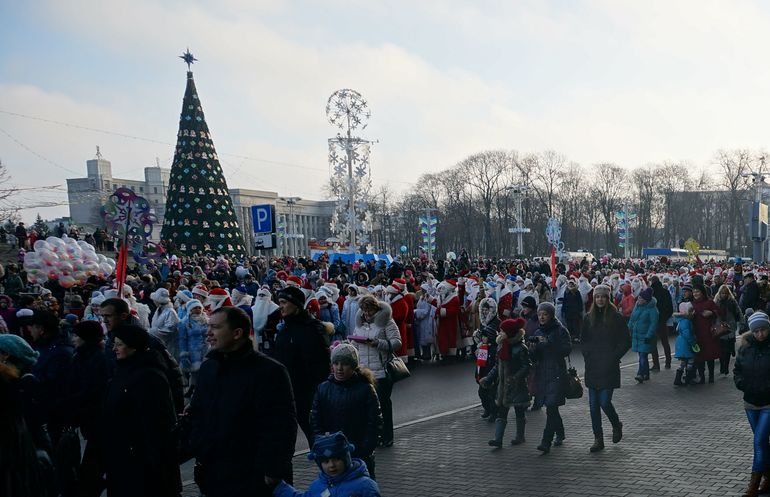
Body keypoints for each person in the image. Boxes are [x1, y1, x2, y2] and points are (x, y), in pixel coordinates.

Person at [187, 307, 297, 497]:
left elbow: (280, 425)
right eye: (209, 326)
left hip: (251, 476)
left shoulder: (269, 371)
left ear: (237, 333)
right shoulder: (209, 368)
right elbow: (198, 414)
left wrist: (272, 469)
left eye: (215, 327)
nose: (209, 333)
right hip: (213, 472)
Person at [101, 324, 180, 497]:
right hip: (123, 454)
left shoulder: (149, 376)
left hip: (141, 459)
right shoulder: (123, 369)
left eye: (119, 344)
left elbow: (155, 424)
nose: (114, 348)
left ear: (133, 346)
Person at [99, 298, 185, 414]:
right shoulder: (112, 338)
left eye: (108, 316)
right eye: (102, 316)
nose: (104, 320)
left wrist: (175, 410)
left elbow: (171, 374)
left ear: (123, 316)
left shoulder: (144, 340)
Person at [311, 343, 382, 478]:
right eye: (336, 363)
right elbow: (315, 420)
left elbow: (375, 422)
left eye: (345, 364)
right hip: (332, 453)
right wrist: (322, 445)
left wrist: (365, 449)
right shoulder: (323, 389)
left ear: (353, 365)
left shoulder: (365, 389)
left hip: (359, 454)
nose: (339, 368)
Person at [273, 286, 331, 446]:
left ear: (296, 304)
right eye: (279, 302)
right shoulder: (285, 328)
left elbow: (320, 367)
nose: (281, 306)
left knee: (319, 441)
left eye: (284, 302)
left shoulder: (312, 329)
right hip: (288, 394)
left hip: (308, 395)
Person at [579, 284, 631, 452]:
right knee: (593, 406)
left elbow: (625, 341)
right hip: (593, 365)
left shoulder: (616, 317)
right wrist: (587, 354)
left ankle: (616, 424)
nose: (600, 299)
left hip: (608, 366)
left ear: (608, 299)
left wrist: (614, 356)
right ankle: (598, 439)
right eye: (597, 297)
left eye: (603, 296)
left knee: (604, 402)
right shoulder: (588, 318)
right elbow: (583, 339)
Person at [350, 294, 402, 448]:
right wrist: (351, 345)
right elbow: (355, 342)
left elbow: (397, 343)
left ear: (376, 308)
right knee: (368, 407)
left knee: (383, 405)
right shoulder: (360, 323)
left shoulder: (387, 322)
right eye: (364, 311)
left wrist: (378, 343)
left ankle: (387, 435)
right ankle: (375, 435)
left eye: (369, 311)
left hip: (381, 371)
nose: (366, 315)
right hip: (364, 371)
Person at [270, 432, 381, 497]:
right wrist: (280, 487)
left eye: (337, 459)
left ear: (346, 459)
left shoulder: (365, 486)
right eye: (326, 461)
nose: (332, 465)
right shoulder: (318, 486)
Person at [734, 311, 770, 496]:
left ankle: (753, 485)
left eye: (763, 330)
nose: (760, 334)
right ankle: (769, 477)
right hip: (750, 402)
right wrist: (742, 384)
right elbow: (737, 370)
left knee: (758, 441)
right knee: (762, 442)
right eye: (757, 331)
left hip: (768, 404)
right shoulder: (745, 347)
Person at [480, 317, 531, 448]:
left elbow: (526, 366)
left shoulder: (521, 348)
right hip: (503, 386)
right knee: (502, 412)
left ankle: (520, 436)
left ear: (509, 333)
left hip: (516, 386)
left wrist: (515, 378)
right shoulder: (501, 347)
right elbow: (497, 366)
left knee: (519, 410)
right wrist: (488, 378)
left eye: (502, 331)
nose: (500, 334)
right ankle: (498, 439)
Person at [530, 302, 572, 454]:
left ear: (551, 315)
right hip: (542, 374)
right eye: (540, 314)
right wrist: (532, 350)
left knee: (551, 407)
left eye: (545, 314)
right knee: (551, 408)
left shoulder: (560, 330)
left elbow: (566, 349)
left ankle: (545, 441)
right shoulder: (537, 333)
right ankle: (560, 432)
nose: (541, 317)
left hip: (556, 372)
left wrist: (549, 343)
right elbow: (534, 358)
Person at [474, 297, 500, 420]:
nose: (484, 312)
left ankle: (494, 412)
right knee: (482, 389)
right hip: (483, 357)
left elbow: (498, 340)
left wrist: (489, 341)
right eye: (483, 310)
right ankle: (488, 409)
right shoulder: (484, 323)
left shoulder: (496, 323)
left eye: (487, 310)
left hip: (492, 358)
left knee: (490, 391)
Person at [691, 284, 722, 384]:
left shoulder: (709, 302)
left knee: (709, 356)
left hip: (709, 333)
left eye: (697, 291)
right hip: (697, 333)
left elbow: (720, 312)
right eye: (694, 291)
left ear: (702, 292)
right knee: (699, 357)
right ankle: (702, 377)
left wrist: (712, 313)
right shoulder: (691, 304)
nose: (695, 294)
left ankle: (711, 376)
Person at [177, 300, 208, 397]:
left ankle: (201, 391)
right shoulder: (184, 322)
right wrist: (184, 354)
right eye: (195, 308)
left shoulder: (206, 320)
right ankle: (193, 390)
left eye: (199, 307)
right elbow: (182, 339)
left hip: (206, 350)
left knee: (205, 372)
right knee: (195, 373)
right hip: (193, 351)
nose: (198, 310)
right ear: (190, 309)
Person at [628, 287, 659, 383]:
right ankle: (646, 374)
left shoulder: (653, 310)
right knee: (642, 356)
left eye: (641, 299)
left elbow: (653, 324)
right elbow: (632, 319)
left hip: (646, 336)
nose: (639, 300)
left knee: (642, 355)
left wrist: (649, 336)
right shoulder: (637, 306)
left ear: (646, 300)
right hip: (637, 335)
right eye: (639, 298)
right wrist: (629, 328)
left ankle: (640, 374)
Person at [714, 284, 742, 376]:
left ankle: (725, 366)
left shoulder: (732, 301)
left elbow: (738, 312)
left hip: (730, 327)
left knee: (728, 349)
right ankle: (722, 365)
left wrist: (742, 322)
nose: (724, 295)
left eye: (725, 293)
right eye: (722, 293)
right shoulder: (716, 302)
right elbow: (713, 315)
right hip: (720, 327)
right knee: (721, 349)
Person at [148, 288, 180, 360]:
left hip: (169, 346)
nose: (153, 301)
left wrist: (151, 332)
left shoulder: (170, 312)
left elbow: (169, 330)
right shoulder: (159, 309)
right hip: (160, 345)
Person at [650, 276, 673, 371]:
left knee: (653, 343)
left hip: (653, 320)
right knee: (665, 342)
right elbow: (670, 308)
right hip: (663, 320)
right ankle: (668, 362)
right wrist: (664, 318)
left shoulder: (651, 293)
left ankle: (656, 364)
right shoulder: (665, 292)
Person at [673, 302, 697, 386]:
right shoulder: (686, 322)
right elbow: (687, 334)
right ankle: (688, 378)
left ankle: (678, 379)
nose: (693, 313)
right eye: (691, 311)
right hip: (686, 344)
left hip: (680, 343)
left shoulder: (680, 321)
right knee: (690, 360)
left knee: (682, 362)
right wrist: (693, 342)